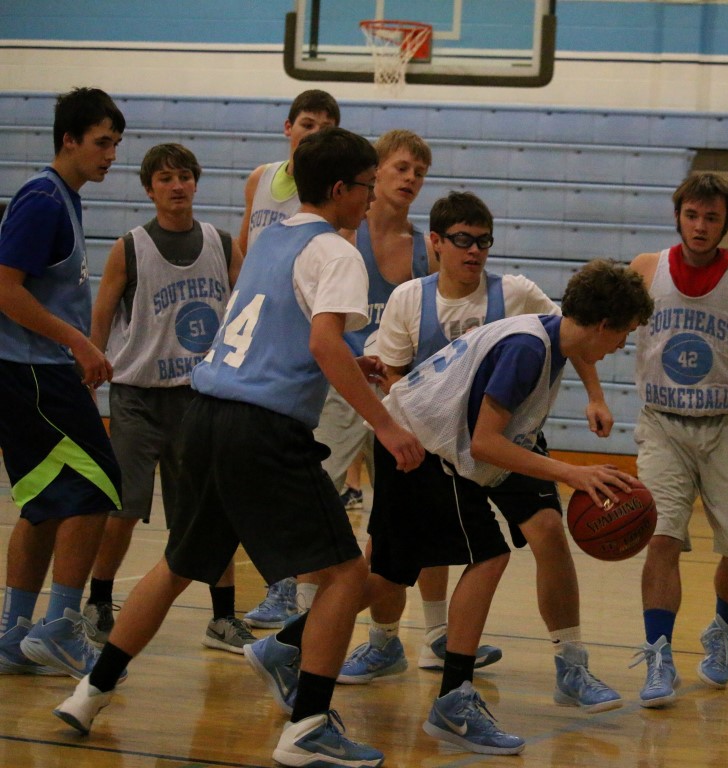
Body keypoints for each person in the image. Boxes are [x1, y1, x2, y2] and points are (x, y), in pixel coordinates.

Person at [51, 126, 425, 768]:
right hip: (263, 427)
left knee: (177, 564)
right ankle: (308, 726)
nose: (371, 199)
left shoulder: (272, 236)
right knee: (346, 575)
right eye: (366, 186)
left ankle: (90, 693)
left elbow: (279, 323)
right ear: (341, 188)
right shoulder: (338, 252)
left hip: (206, 412)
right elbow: (322, 344)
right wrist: (387, 427)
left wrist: (349, 358)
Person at [249, 257, 653, 756]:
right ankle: (454, 702)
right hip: (423, 451)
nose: (622, 345)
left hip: (410, 442)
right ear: (603, 324)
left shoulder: (545, 334)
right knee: (490, 555)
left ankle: (284, 646)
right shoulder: (528, 349)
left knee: (391, 575)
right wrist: (571, 473)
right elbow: (484, 443)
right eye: (624, 334)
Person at [336, 192, 616, 703]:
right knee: (401, 553)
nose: (475, 251)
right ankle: (391, 641)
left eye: (484, 241)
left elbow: (576, 335)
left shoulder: (515, 292)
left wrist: (595, 396)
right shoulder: (410, 298)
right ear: (436, 243)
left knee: (547, 532)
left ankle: (571, 664)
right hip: (438, 441)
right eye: (463, 240)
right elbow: (394, 377)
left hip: (506, 437)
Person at [317, 149, 501, 683]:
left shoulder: (426, 247)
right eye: (401, 168)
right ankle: (304, 617)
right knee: (329, 511)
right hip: (346, 380)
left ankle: (433, 634)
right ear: (373, 174)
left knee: (416, 529)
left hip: (408, 407)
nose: (411, 178)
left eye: (420, 171)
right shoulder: (341, 237)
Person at [628, 172, 728, 707]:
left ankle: (722, 629)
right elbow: (596, 327)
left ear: (726, 224)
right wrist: (594, 394)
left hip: (726, 428)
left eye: (711, 218)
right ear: (678, 216)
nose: (700, 226)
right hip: (662, 425)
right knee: (661, 539)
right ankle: (659, 655)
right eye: (692, 215)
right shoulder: (645, 269)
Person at [82, 142, 253, 654]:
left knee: (207, 510)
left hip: (198, 398)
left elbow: (248, 312)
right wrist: (90, 366)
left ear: (196, 183)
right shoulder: (130, 247)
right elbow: (102, 313)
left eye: (184, 177)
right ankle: (98, 601)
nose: (176, 186)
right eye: (165, 178)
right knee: (124, 505)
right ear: (149, 189)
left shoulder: (222, 244)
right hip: (138, 395)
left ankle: (223, 616)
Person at [0, 87, 126, 679]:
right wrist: (78, 342)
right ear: (69, 140)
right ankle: (61, 627)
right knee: (99, 487)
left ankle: (13, 633)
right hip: (32, 372)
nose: (111, 155)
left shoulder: (62, 199)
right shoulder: (43, 199)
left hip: (36, 371)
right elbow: (5, 289)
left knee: (44, 505)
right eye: (102, 142)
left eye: (116, 144)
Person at [238, 88, 341, 629]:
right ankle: (281, 586)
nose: (314, 132)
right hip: (255, 338)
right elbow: (243, 252)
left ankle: (289, 587)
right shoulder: (260, 179)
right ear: (287, 127)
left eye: (326, 125)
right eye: (307, 122)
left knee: (297, 475)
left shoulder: (332, 200)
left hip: (300, 342)